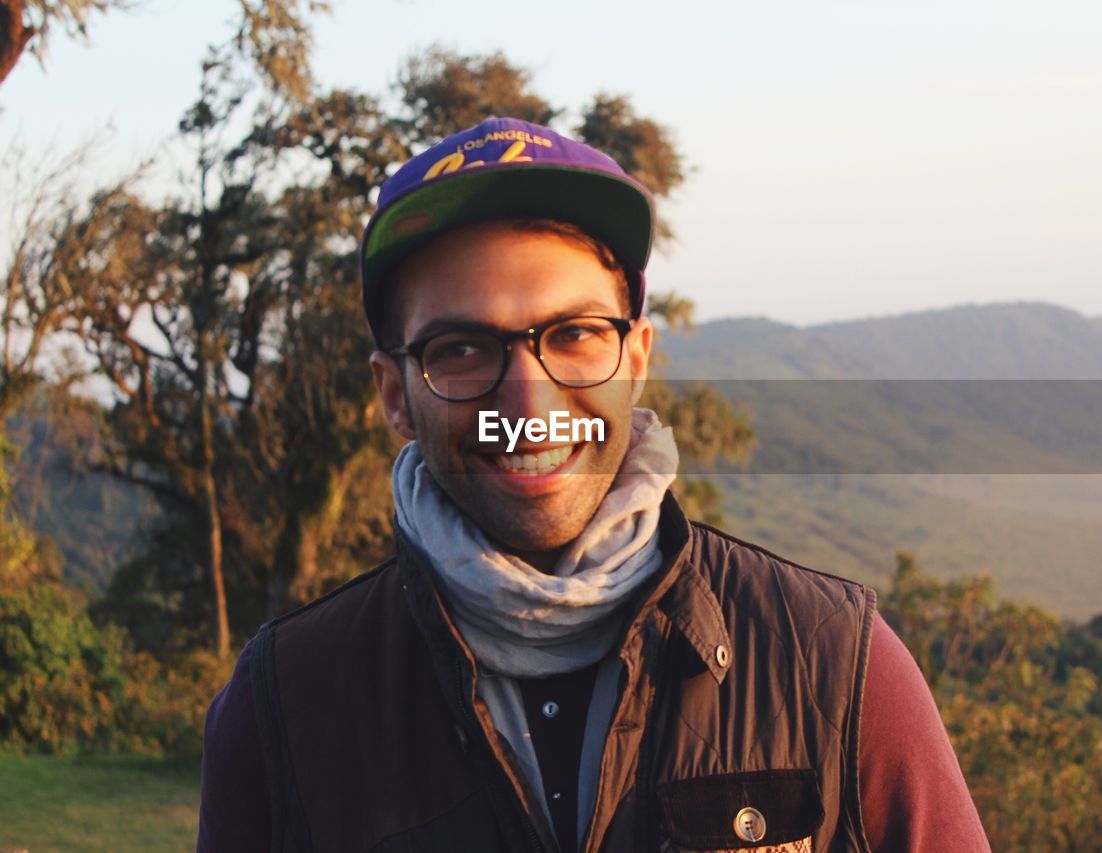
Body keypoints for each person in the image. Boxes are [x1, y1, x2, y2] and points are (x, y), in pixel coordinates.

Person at [198, 116, 990, 853]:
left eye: (574, 334)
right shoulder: (286, 704)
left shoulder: (833, 661)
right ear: (395, 394)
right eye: (464, 348)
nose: (529, 402)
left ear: (636, 356)